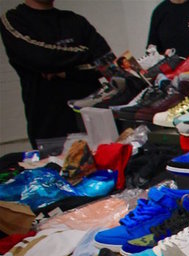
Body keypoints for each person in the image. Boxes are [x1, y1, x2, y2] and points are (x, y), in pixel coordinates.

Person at [1, 0, 112, 148]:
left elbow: (107, 63)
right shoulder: (15, 19)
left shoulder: (75, 20)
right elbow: (41, 58)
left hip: (95, 120)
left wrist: (67, 72)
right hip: (51, 128)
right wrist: (86, 54)